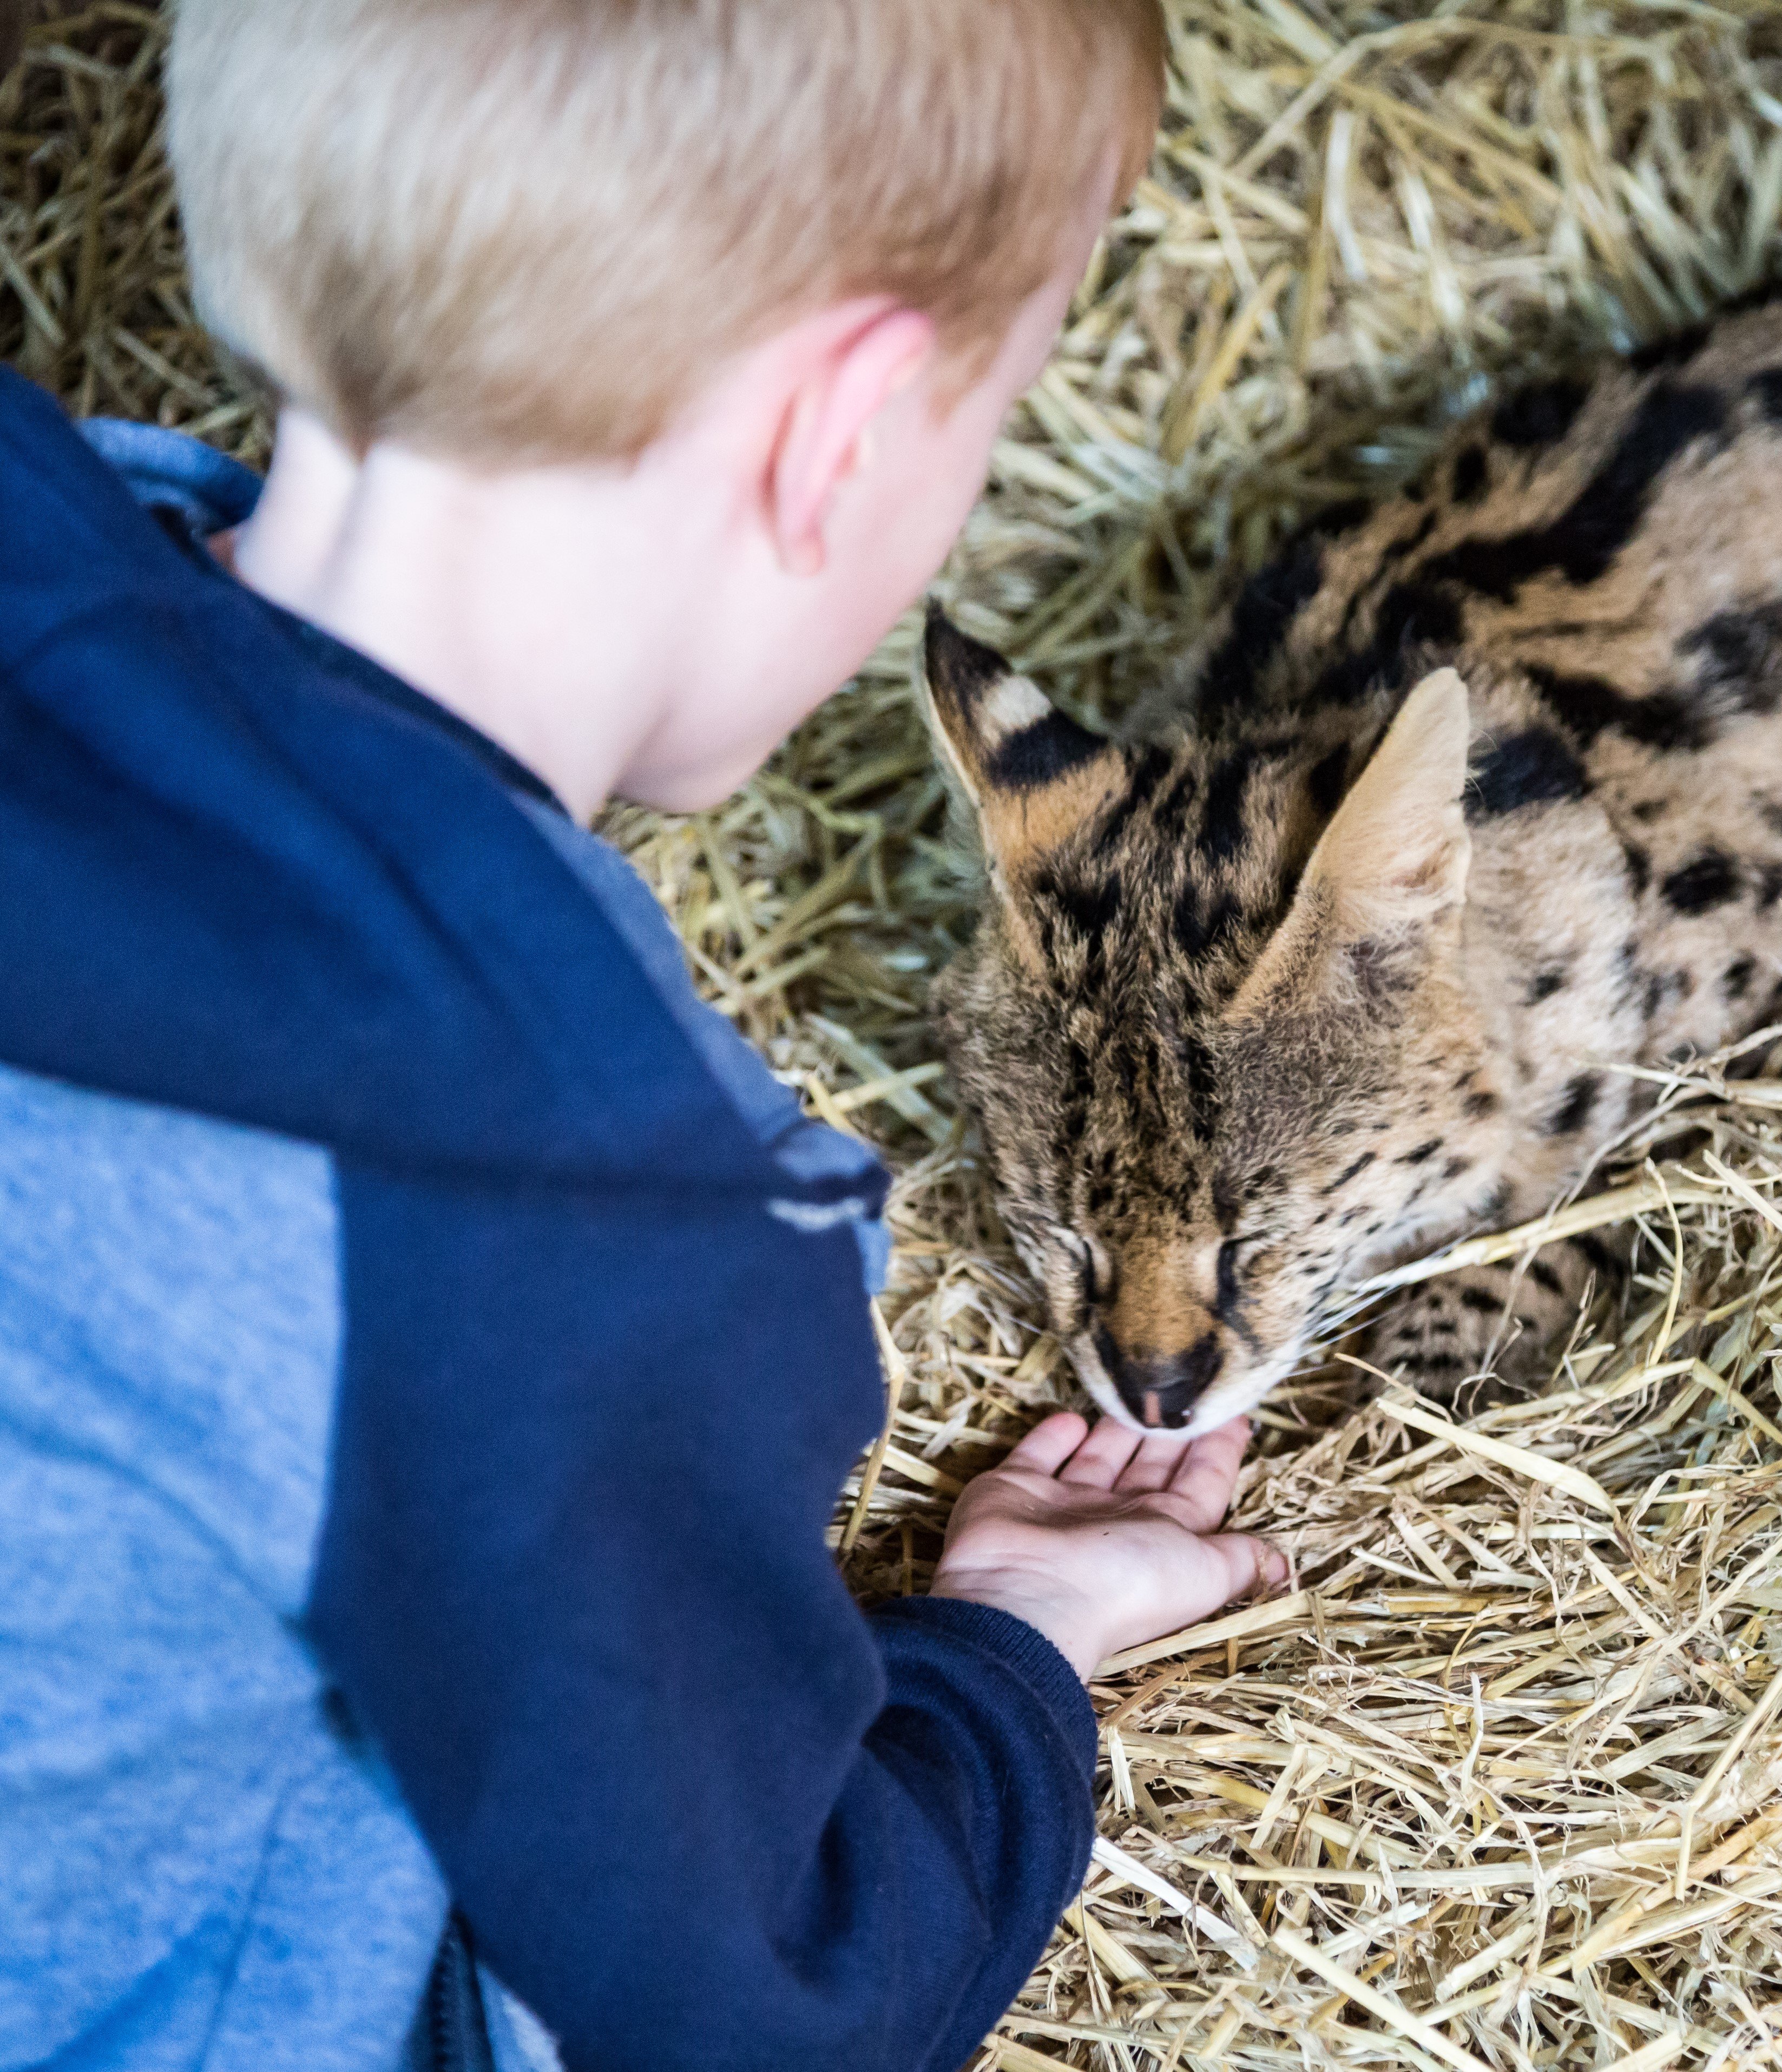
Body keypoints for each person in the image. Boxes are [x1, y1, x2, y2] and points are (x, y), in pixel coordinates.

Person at [0, 4, 1290, 2070]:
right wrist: (1006, 1658)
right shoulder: (572, 1207)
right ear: (842, 430)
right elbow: (758, 2010)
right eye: (999, 408)